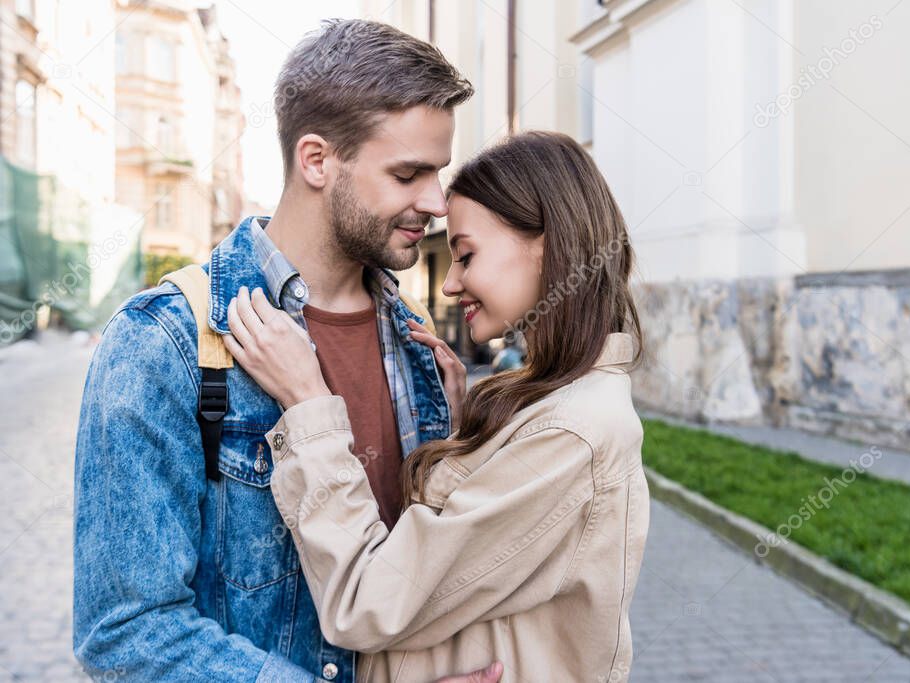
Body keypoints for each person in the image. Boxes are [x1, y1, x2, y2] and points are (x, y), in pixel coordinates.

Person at [73, 19, 498, 683]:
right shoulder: (165, 342)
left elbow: (412, 577)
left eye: (437, 174)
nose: (436, 203)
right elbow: (127, 631)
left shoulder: (417, 342)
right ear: (317, 160)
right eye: (409, 173)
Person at [225, 131, 651, 682]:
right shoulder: (555, 406)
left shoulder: (573, 432)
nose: (449, 285)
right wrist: (464, 438)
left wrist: (308, 405)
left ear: (546, 245)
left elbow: (366, 603)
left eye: (466, 255)